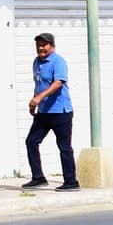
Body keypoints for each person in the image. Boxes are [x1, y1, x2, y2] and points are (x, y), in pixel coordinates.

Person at [23, 33, 77, 191]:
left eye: (44, 45)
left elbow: (58, 83)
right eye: (38, 45)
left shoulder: (57, 61)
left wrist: (39, 98)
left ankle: (71, 182)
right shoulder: (37, 62)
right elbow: (39, 84)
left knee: (64, 147)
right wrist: (34, 102)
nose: (41, 48)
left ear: (52, 46)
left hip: (61, 112)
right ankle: (38, 178)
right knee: (31, 141)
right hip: (44, 112)